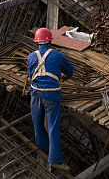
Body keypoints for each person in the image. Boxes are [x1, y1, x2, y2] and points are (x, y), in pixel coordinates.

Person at [28, 27, 75, 171]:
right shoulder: (58, 55)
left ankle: (44, 150)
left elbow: (31, 76)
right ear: (50, 41)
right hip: (51, 95)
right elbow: (70, 71)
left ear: (37, 42)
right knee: (53, 127)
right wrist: (59, 74)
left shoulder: (31, 57)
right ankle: (55, 160)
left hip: (35, 93)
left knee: (38, 125)